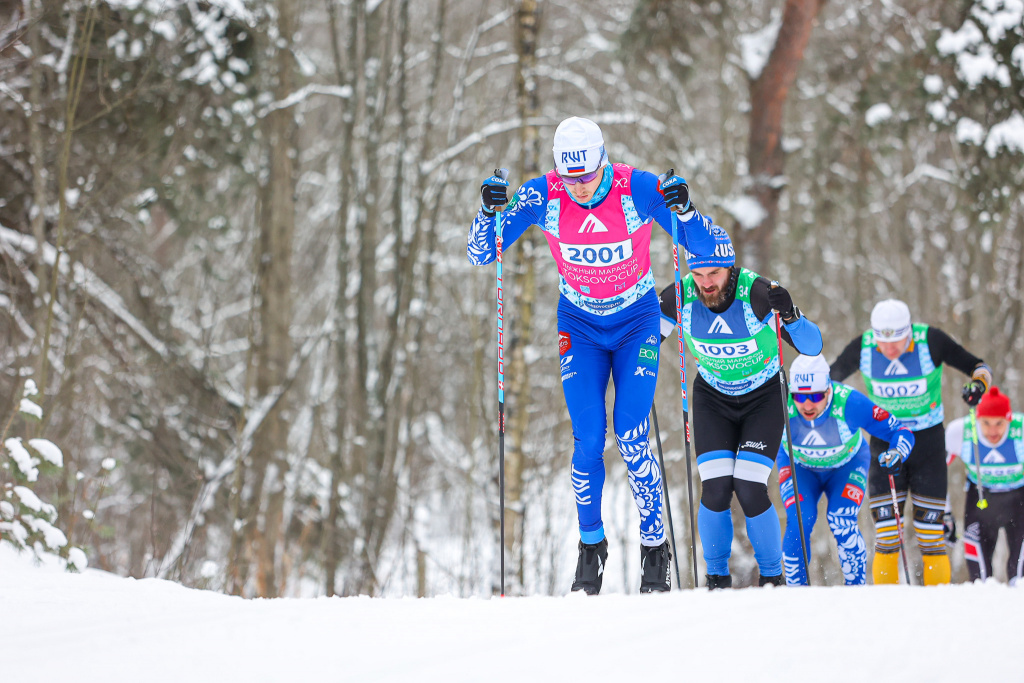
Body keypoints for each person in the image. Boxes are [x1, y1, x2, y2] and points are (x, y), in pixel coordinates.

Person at [467, 116, 716, 594]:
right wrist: (487, 213)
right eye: (570, 177)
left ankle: (654, 545)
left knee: (630, 431)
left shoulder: (636, 188)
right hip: (579, 325)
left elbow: (703, 248)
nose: (579, 187)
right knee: (587, 438)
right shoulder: (543, 194)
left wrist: (684, 211)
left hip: (636, 323)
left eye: (587, 175)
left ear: (604, 161)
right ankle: (591, 547)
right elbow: (483, 253)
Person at [658, 233, 823, 589]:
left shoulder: (758, 294)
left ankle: (772, 578)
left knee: (749, 486)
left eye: (713, 274)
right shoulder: (680, 296)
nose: (706, 283)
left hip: (762, 397)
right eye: (698, 275)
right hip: (712, 398)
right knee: (715, 487)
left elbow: (812, 346)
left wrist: (791, 315)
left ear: (729, 267)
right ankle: (716, 577)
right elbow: (646, 341)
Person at [830, 299, 992, 585]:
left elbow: (979, 367)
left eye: (898, 343)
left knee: (931, 535)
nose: (890, 351)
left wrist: (978, 386)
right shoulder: (863, 347)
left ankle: (937, 608)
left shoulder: (930, 340)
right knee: (887, 535)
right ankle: (885, 610)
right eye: (883, 344)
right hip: (885, 443)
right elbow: (829, 382)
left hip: (928, 443)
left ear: (910, 333)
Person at [776, 354, 915, 585]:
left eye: (815, 396)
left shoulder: (849, 403)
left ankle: (855, 591)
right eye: (799, 396)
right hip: (799, 468)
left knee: (841, 519)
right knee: (800, 519)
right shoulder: (779, 401)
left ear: (829, 390)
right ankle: (796, 594)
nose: (807, 405)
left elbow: (900, 431)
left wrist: (897, 452)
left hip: (846, 467)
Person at [945, 387, 1024, 583]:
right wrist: (944, 513)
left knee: (1020, 575)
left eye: (999, 423)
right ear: (977, 419)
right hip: (980, 501)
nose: (993, 431)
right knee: (979, 579)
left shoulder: (1020, 432)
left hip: (1019, 502)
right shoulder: (961, 431)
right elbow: (935, 473)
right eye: (986, 423)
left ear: (1009, 419)